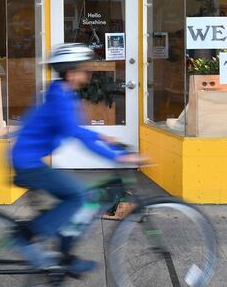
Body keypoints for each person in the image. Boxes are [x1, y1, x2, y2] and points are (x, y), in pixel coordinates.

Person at [10, 43, 148, 274]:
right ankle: (26, 236)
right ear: (71, 72)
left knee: (73, 203)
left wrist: (103, 136)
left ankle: (64, 257)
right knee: (78, 196)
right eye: (84, 68)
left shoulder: (62, 93)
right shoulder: (61, 100)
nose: (88, 73)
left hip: (30, 159)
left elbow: (77, 130)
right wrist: (119, 157)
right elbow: (76, 134)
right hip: (27, 163)